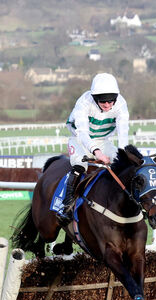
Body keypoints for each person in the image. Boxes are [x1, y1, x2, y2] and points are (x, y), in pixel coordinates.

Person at [59, 72, 129, 224]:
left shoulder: (121, 104)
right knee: (79, 166)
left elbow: (123, 134)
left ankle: (128, 203)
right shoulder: (84, 102)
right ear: (95, 98)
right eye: (103, 101)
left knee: (124, 165)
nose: (107, 105)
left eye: (111, 101)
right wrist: (97, 153)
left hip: (104, 141)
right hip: (79, 139)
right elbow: (83, 133)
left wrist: (124, 155)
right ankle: (67, 206)